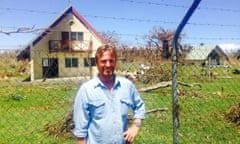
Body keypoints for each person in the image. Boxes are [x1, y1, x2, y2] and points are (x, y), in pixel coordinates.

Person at [73, 44, 145, 144]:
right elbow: (81, 132)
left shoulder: (126, 86)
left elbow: (139, 106)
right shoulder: (86, 90)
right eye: (103, 61)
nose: (108, 65)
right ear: (96, 63)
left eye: (111, 61)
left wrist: (135, 127)